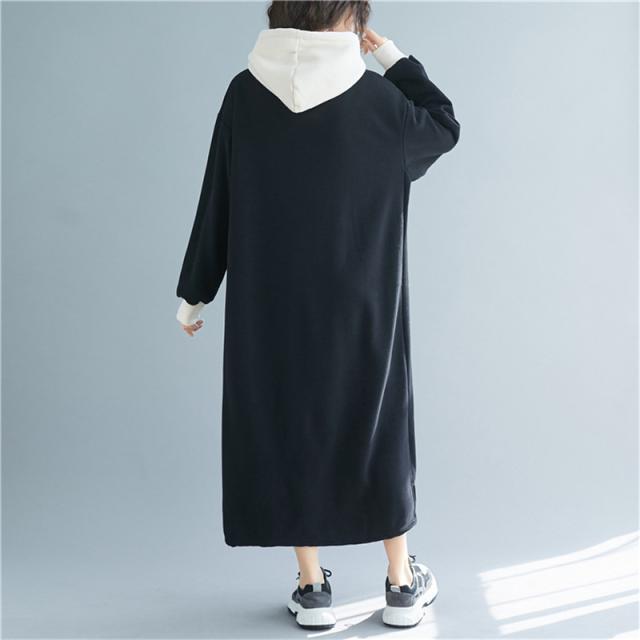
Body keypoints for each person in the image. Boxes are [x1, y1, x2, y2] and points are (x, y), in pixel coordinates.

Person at [175, 0, 460, 630]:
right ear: (352, 19)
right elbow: (444, 123)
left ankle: (311, 589)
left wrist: (195, 292)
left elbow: (218, 195)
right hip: (363, 310)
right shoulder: (382, 104)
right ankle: (400, 582)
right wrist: (390, 56)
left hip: (269, 310)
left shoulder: (244, 94)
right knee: (376, 425)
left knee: (288, 423)